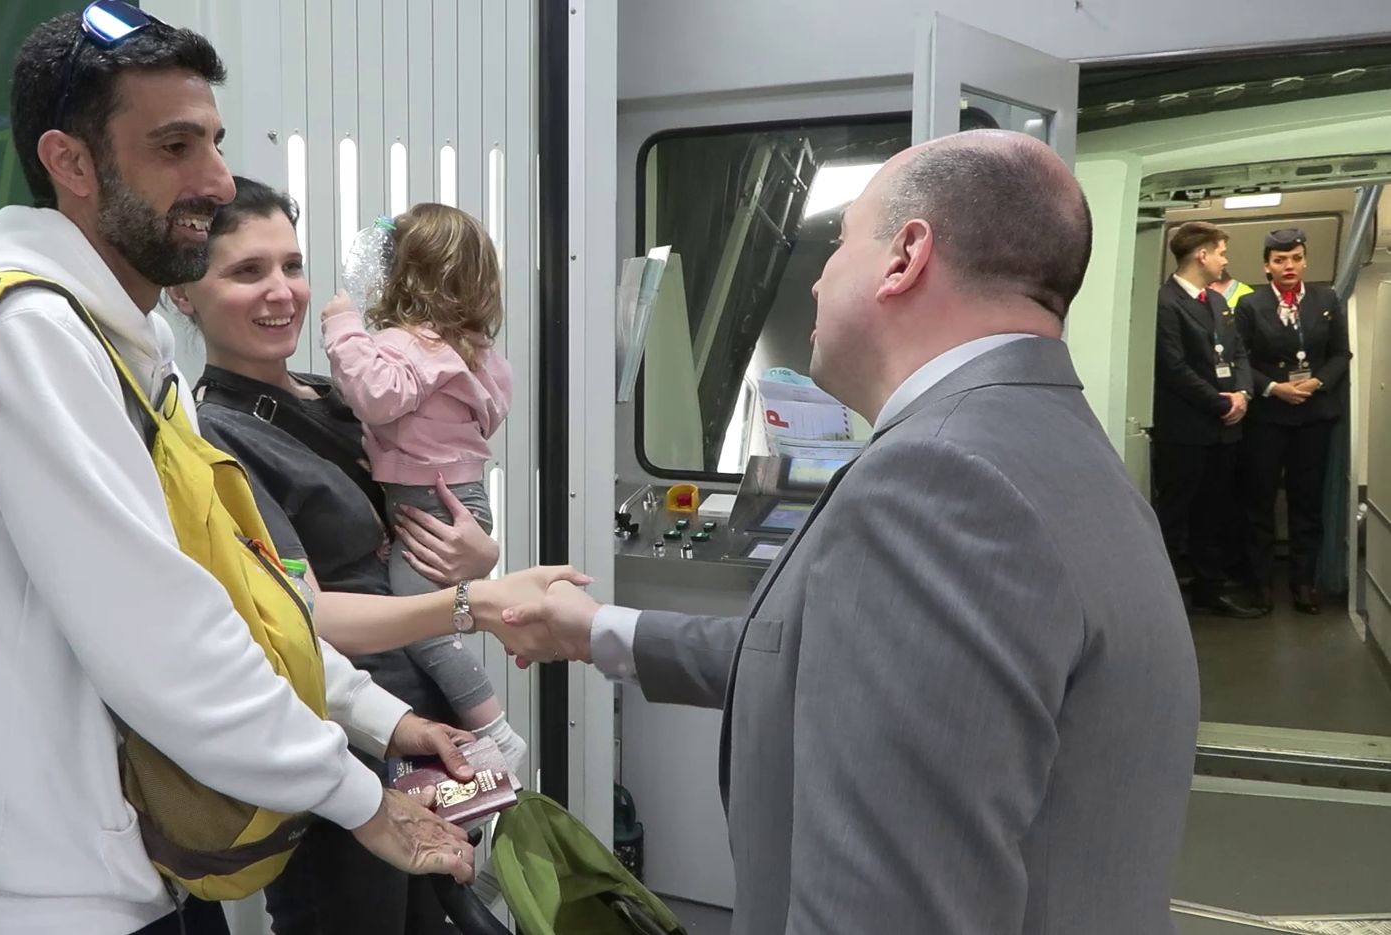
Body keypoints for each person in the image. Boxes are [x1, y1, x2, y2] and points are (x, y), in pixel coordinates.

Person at [500, 130, 1200, 934]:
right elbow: (818, 656)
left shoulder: (937, 481)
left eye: (840, 242)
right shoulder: (1058, 449)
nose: (819, 276)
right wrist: (593, 629)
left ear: (905, 256)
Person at [0, 9, 473, 934]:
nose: (216, 179)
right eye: (174, 147)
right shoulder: (29, 334)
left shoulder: (132, 344)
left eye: (214, 141)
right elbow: (159, 631)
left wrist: (378, 716)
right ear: (70, 162)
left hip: (136, 865)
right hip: (47, 898)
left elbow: (240, 592)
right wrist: (357, 794)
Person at [166, 179, 543, 935]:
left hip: (428, 732)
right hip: (339, 746)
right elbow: (301, 618)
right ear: (183, 293)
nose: (281, 292)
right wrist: (467, 603)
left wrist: (479, 552)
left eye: (292, 265)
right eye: (247, 271)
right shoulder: (214, 437)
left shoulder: (341, 396)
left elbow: (425, 517)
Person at [321, 202, 517, 742]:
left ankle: (497, 732)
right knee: (431, 621)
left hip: (433, 505)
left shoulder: (413, 345)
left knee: (425, 629)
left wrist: (344, 328)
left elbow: (375, 395)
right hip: (458, 500)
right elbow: (486, 414)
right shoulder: (474, 353)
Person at [1235, 228, 1353, 614]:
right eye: (1280, 260)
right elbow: (1240, 359)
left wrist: (1319, 382)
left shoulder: (1326, 299)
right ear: (1266, 266)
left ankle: (1304, 582)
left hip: (1313, 416)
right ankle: (1260, 583)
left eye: (1296, 258)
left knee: (1307, 501)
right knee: (1259, 500)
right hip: (1267, 418)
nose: (1289, 266)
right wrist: (1272, 388)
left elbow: (1340, 354)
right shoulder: (1250, 305)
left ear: (1305, 261)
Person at [1151, 221, 1262, 618]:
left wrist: (1244, 394)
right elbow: (1173, 367)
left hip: (1224, 430)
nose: (1224, 261)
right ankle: (1161, 601)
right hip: (1186, 431)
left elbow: (1239, 354)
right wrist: (1221, 403)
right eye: (1221, 253)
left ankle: (1208, 591)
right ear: (1202, 255)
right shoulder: (1164, 303)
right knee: (1174, 516)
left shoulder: (1217, 301)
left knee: (1213, 515)